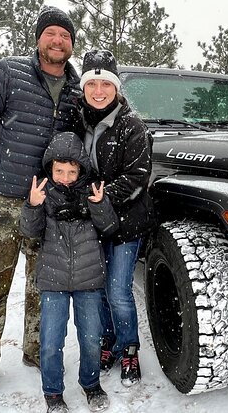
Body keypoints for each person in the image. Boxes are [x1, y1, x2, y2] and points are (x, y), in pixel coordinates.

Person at [0, 5, 82, 405]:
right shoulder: (8, 72)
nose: (58, 40)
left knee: (40, 286)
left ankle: (35, 349)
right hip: (1, 199)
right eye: (51, 33)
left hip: (47, 204)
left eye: (64, 35)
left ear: (71, 44)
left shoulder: (78, 90)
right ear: (38, 38)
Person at [20, 131, 118, 413]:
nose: (64, 177)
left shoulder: (92, 194)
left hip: (88, 281)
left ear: (80, 171)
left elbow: (110, 228)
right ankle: (52, 394)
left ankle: (91, 384)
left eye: (71, 171)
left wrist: (100, 206)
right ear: (50, 169)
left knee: (90, 339)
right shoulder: (43, 194)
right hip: (53, 280)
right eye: (59, 170)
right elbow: (29, 232)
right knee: (51, 342)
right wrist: (33, 206)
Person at [78, 49, 156, 387]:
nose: (98, 91)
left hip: (127, 221)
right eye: (91, 84)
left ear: (116, 87)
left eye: (105, 84)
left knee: (119, 289)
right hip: (92, 222)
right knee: (99, 289)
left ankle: (130, 349)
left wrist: (102, 198)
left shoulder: (131, 125)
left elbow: (137, 175)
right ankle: (108, 340)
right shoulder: (78, 120)